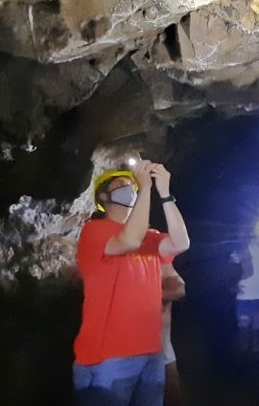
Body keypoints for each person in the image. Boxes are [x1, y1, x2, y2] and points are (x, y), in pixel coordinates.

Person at [73, 160, 190, 406]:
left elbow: (181, 243)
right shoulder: (94, 231)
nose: (131, 188)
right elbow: (129, 240)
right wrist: (145, 189)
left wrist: (165, 194)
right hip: (108, 356)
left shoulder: (149, 237)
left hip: (150, 351)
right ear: (103, 196)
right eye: (121, 185)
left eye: (133, 186)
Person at [230, 220, 259, 355]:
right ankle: (241, 364)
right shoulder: (242, 250)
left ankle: (256, 365)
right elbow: (229, 270)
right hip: (244, 297)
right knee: (243, 332)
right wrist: (231, 286)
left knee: (258, 333)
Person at [161, 261, 185, 406]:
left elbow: (179, 290)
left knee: (172, 393)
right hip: (124, 347)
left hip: (161, 344)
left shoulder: (161, 263)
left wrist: (146, 297)